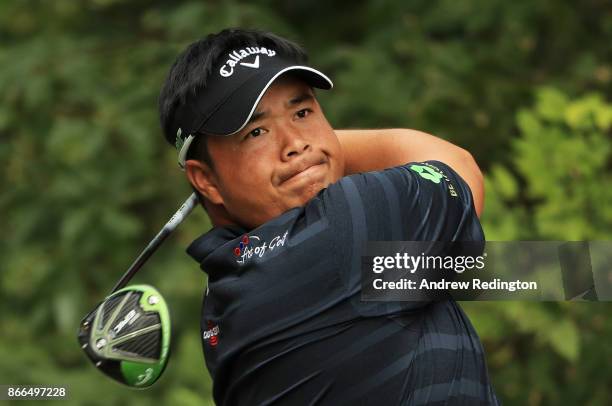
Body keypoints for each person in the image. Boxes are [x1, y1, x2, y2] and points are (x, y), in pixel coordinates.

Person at [158, 28, 498, 405]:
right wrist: (321, 152)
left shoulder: (227, 290)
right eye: (256, 132)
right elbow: (458, 167)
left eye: (302, 112)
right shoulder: (345, 225)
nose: (295, 143)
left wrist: (562, 271)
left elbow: (500, 272)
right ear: (205, 180)